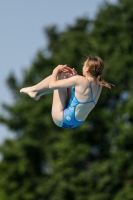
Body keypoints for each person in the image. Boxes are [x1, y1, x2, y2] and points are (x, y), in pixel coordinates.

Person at [20, 56, 114, 129]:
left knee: (61, 74)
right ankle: (37, 93)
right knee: (66, 77)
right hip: (76, 122)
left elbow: (52, 85)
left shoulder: (80, 80)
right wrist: (73, 78)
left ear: (87, 69)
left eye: (84, 65)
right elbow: (81, 95)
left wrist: (55, 71)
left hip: (62, 119)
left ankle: (33, 90)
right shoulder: (99, 86)